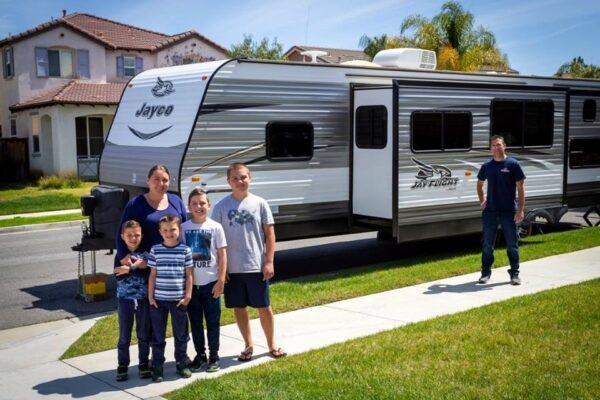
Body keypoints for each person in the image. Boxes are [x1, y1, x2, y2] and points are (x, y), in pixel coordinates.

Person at [211, 163, 286, 362]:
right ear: (228, 182)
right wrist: (221, 268)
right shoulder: (220, 207)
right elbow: (216, 242)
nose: (240, 181)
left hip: (256, 265)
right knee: (239, 307)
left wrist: (269, 261)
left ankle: (271, 344)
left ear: (250, 178)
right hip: (232, 269)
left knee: (264, 306)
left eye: (243, 177)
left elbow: (270, 235)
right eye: (235, 178)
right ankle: (248, 345)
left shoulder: (260, 203)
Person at [181, 189, 227, 372]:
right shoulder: (183, 228)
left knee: (213, 322)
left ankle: (214, 356)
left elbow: (223, 255)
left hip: (211, 284)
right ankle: (200, 355)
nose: (199, 207)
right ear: (189, 207)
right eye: (194, 204)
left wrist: (221, 280)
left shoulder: (215, 227)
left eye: (202, 203)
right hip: (192, 286)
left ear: (208, 205)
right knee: (196, 323)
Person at [148, 214, 193, 382]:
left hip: (179, 300)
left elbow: (189, 275)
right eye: (165, 230)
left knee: (181, 334)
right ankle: (158, 366)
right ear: (160, 232)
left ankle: (182, 363)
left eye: (172, 229)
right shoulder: (155, 250)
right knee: (158, 336)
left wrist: (188, 295)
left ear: (179, 230)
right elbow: (152, 275)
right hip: (158, 301)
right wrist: (150, 297)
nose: (169, 233)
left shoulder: (185, 250)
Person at [477, 135, 526, 285]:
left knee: (512, 244)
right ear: (490, 148)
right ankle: (485, 273)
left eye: (498, 144)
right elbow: (479, 185)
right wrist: (482, 200)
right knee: (487, 245)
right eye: (493, 145)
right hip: (490, 211)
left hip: (509, 211)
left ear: (504, 146)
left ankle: (514, 274)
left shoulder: (513, 164)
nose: (496, 147)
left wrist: (520, 210)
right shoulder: (487, 166)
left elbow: (521, 188)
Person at [116, 164, 187, 265]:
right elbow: (121, 231)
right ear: (148, 180)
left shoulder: (176, 201)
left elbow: (185, 229)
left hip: (173, 262)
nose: (161, 183)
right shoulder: (135, 203)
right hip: (144, 264)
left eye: (165, 180)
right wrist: (122, 255)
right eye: (156, 179)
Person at [113, 220, 152, 381]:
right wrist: (137, 268)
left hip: (143, 299)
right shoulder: (120, 255)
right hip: (125, 300)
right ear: (122, 236)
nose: (133, 238)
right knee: (124, 335)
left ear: (141, 235)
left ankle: (143, 363)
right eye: (129, 235)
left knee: (143, 334)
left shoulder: (146, 255)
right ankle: (123, 365)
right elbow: (117, 274)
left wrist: (130, 269)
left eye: (137, 235)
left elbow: (147, 275)